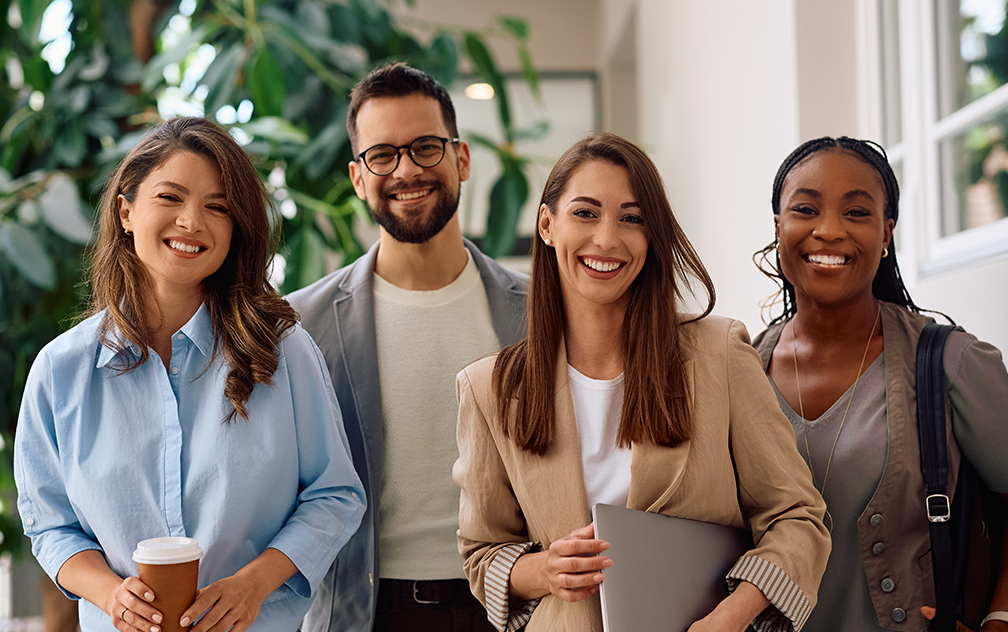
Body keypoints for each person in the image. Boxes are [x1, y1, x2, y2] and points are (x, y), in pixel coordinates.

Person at [454, 132, 830, 632]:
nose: (607, 239)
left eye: (631, 219)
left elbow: (797, 517)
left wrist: (732, 615)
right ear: (546, 225)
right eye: (585, 213)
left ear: (652, 236)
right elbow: (482, 554)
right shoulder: (490, 388)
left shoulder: (719, 356)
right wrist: (543, 571)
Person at [14, 116, 365, 632]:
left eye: (217, 207)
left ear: (236, 227)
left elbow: (334, 494)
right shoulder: (60, 371)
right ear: (126, 211)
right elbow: (49, 523)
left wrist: (253, 585)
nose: (191, 222)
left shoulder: (283, 353)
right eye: (170, 198)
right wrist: (112, 596)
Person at [286, 63, 527, 632]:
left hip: (512, 604)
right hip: (365, 610)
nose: (406, 170)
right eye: (383, 155)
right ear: (356, 176)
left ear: (461, 158)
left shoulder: (538, 310)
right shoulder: (300, 323)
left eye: (425, 148)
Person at [752, 136, 1008, 632]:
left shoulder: (950, 363)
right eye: (806, 209)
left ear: (886, 232)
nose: (828, 231)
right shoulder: (739, 370)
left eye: (857, 213)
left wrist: (999, 620)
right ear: (779, 227)